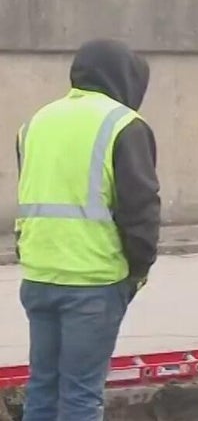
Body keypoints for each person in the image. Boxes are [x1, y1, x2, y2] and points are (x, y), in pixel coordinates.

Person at [14, 38, 161, 421]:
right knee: (81, 396)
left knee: (42, 390)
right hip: (93, 282)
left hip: (39, 276)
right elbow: (140, 209)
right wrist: (138, 270)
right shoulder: (124, 124)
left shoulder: (35, 122)